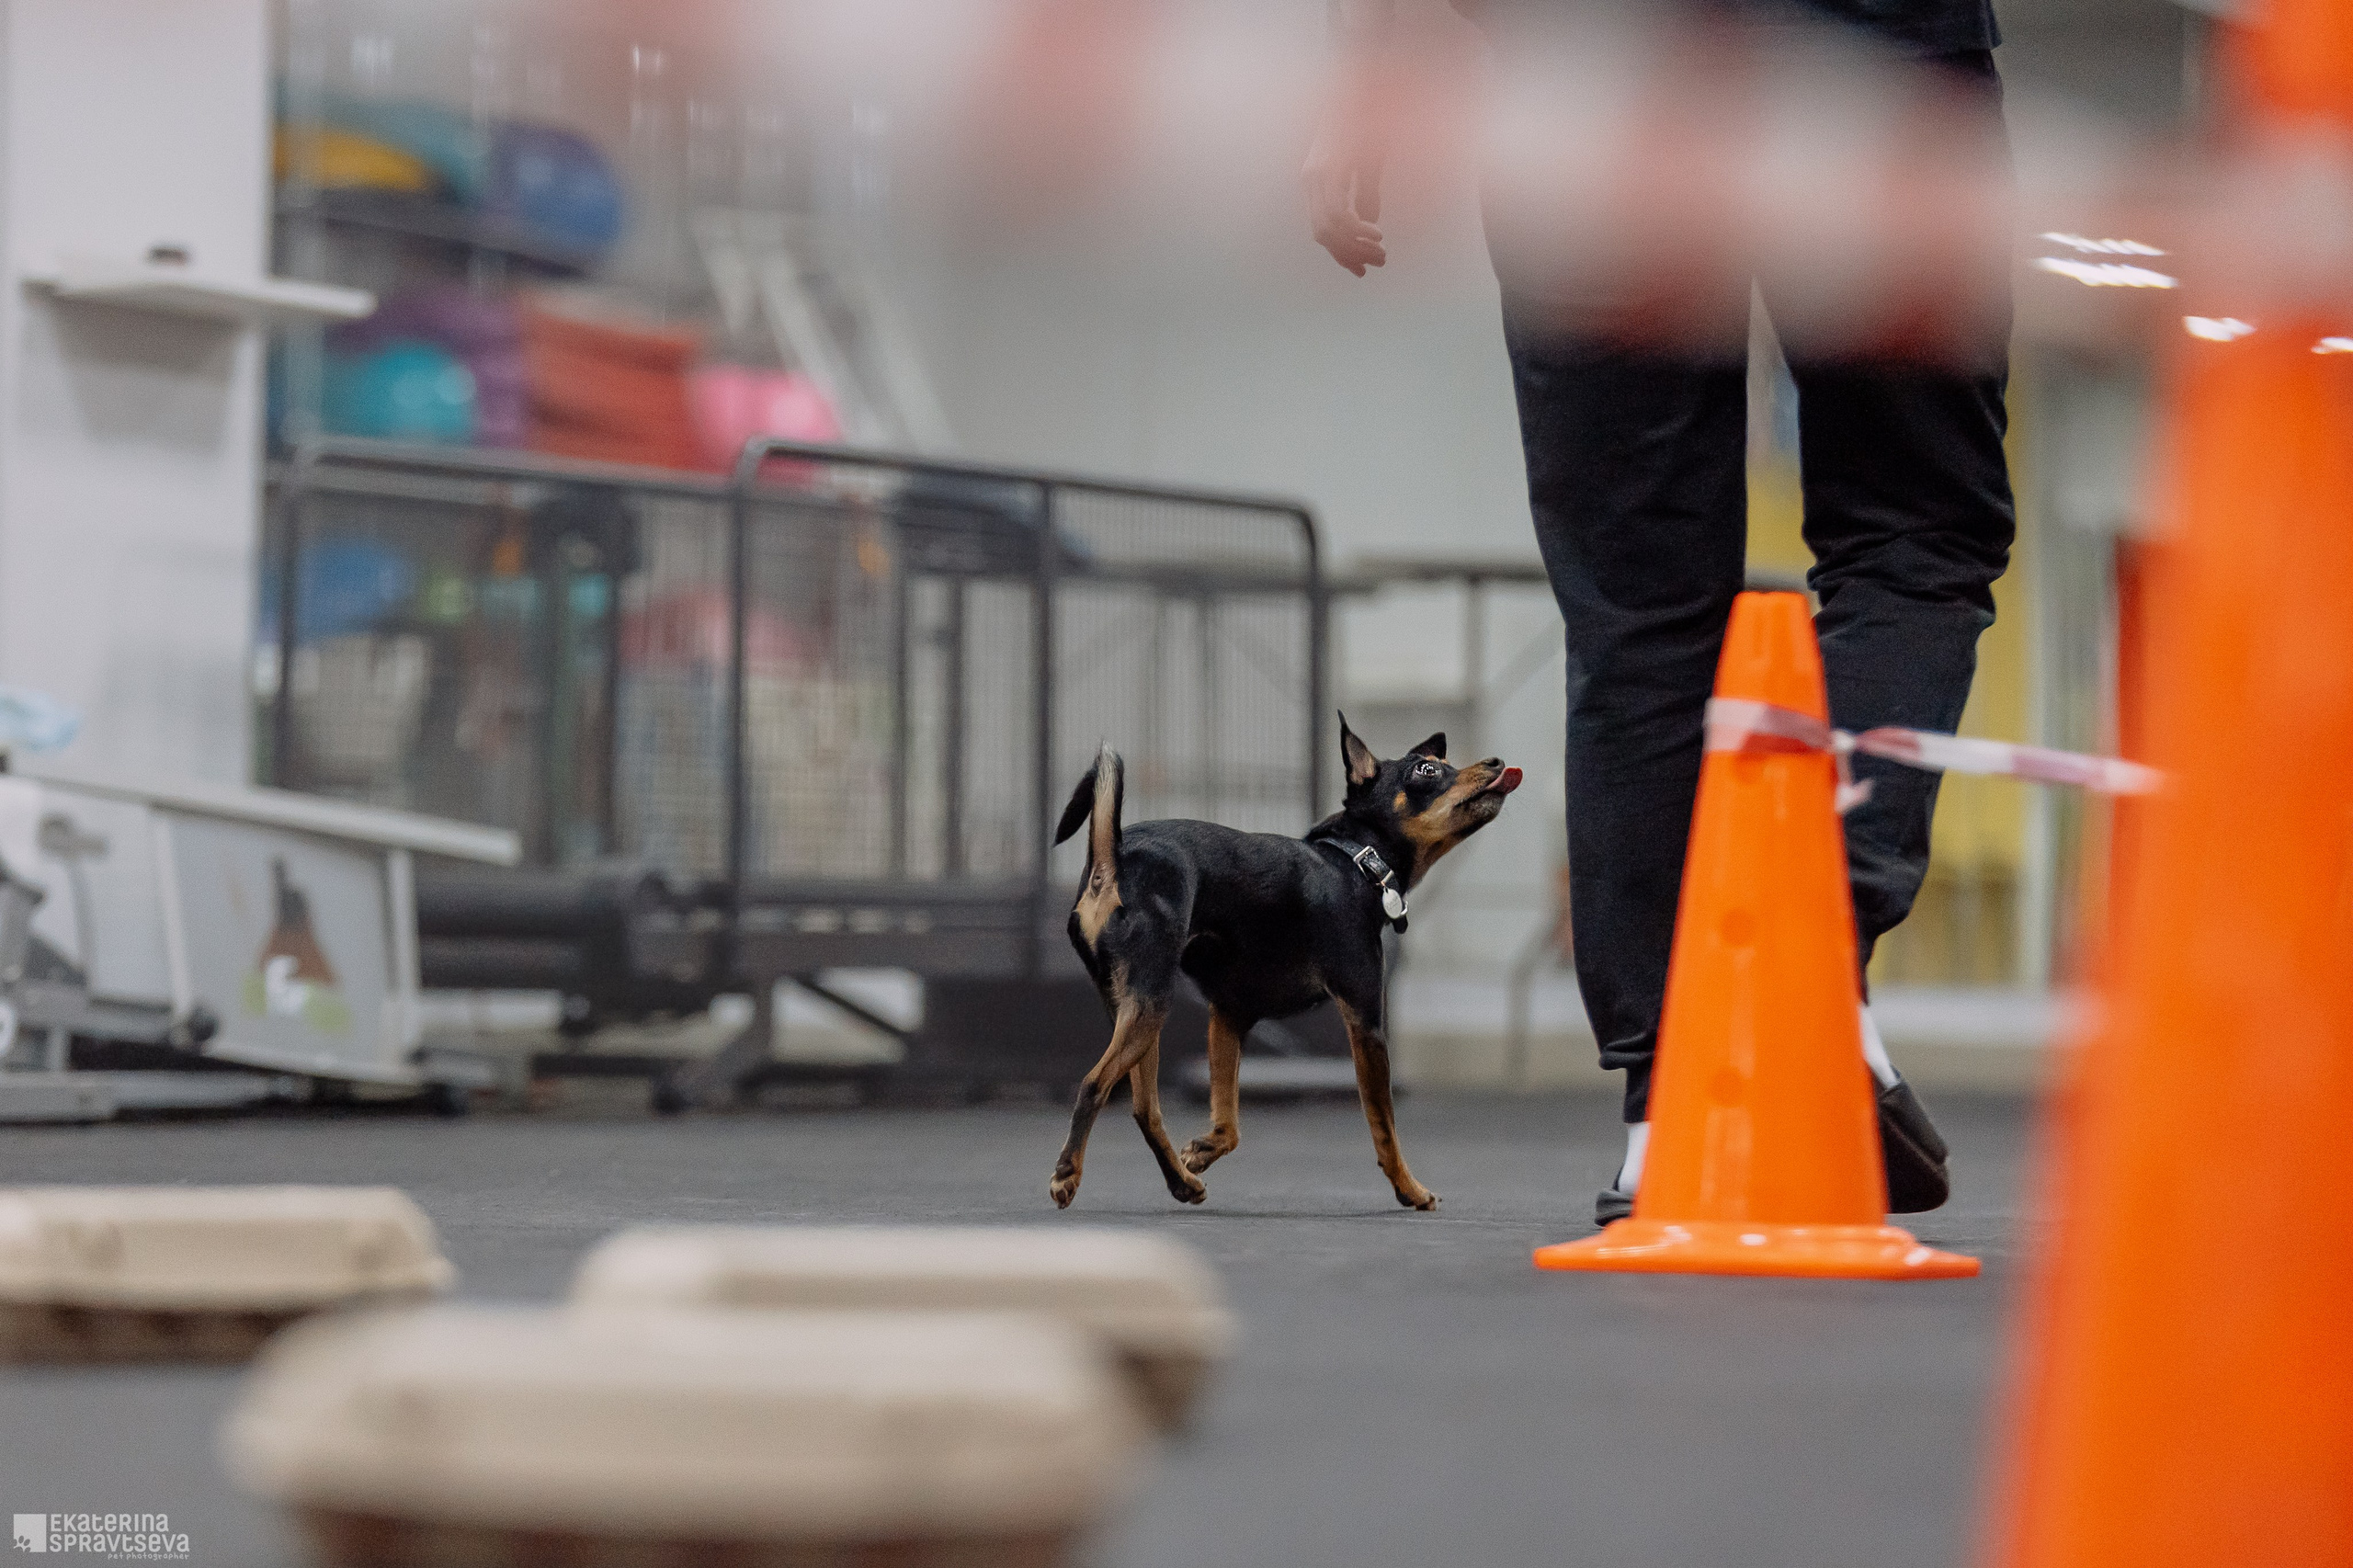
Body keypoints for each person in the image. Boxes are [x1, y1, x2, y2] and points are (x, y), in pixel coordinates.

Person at [1307, 0, 2016, 1223]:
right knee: (1914, 534)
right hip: (1870, 49)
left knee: (1639, 609)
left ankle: (1668, 1116)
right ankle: (1806, 956)